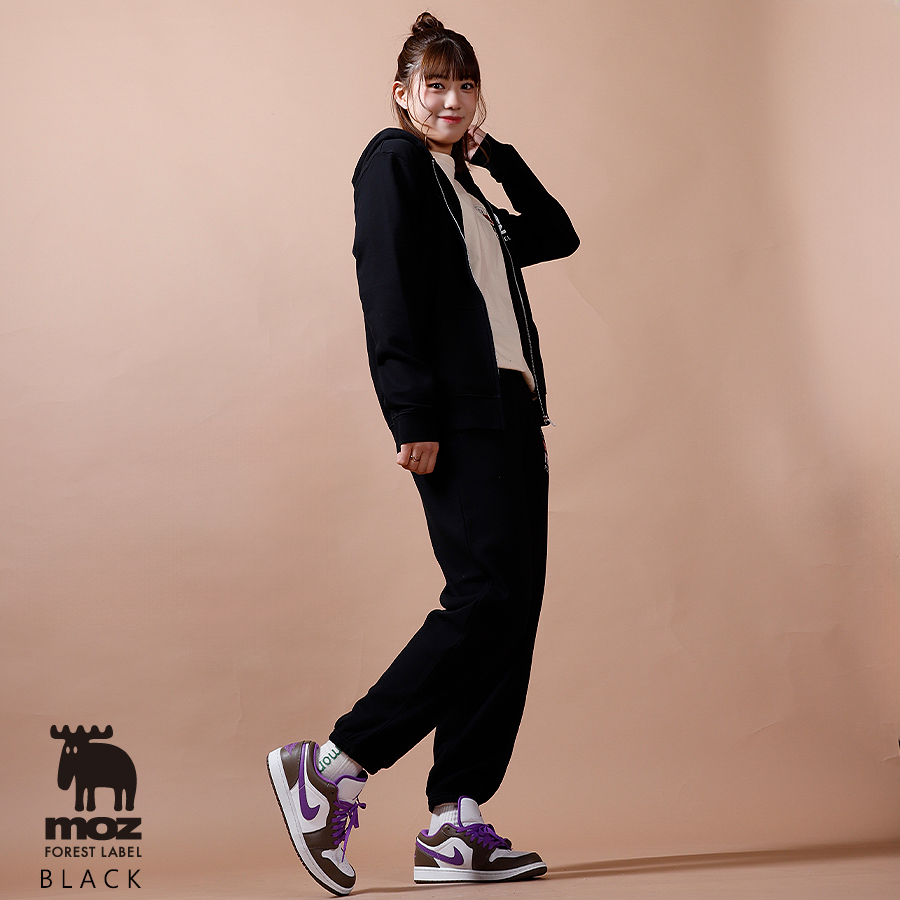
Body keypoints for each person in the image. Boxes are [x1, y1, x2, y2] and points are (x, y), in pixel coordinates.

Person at [267, 12, 579, 895]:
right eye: (434, 84)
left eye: (464, 85)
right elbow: (387, 288)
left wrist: (495, 158)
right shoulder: (394, 164)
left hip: (514, 416)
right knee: (484, 597)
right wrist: (411, 412)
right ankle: (334, 763)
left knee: (511, 613)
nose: (451, 99)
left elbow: (557, 233)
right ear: (401, 94)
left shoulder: (464, 189)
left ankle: (455, 820)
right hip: (460, 416)